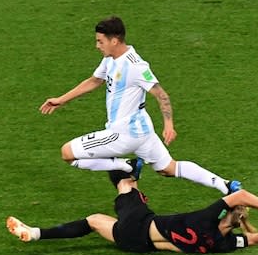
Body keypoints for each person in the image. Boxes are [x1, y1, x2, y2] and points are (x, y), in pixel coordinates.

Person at [39, 16, 240, 195]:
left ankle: (127, 165)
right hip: (142, 131)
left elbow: (161, 95)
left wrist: (169, 124)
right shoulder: (110, 59)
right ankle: (225, 185)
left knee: (68, 154)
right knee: (168, 168)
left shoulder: (135, 66)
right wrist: (61, 99)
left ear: (114, 40)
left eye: (100, 41)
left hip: (123, 134)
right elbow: (94, 81)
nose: (97, 46)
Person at [6, 170, 258, 254]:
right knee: (96, 220)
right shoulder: (222, 244)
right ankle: (34, 233)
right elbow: (257, 239)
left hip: (140, 224)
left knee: (124, 182)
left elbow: (240, 195)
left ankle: (34, 234)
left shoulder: (208, 218)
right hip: (136, 245)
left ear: (229, 215)